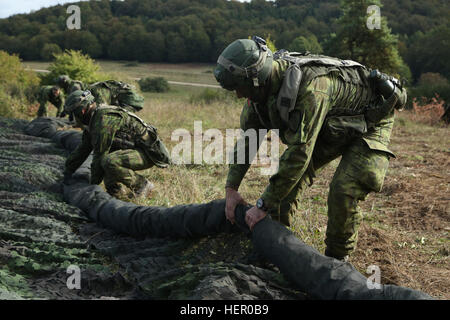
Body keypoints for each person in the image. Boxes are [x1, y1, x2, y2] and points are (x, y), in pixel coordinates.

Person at [214, 36, 407, 261]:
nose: (238, 95)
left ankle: (336, 263)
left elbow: (298, 155)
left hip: (370, 123)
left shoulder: (310, 88)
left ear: (256, 78)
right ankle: (277, 254)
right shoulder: (259, 96)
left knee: (343, 190)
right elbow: (248, 138)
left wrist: (261, 205)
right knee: (283, 191)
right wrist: (231, 188)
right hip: (329, 127)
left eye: (240, 88)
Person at [62, 90, 171, 199]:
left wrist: (92, 187)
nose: (76, 119)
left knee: (109, 162)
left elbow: (99, 154)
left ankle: (142, 185)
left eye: (75, 114)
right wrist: (68, 171)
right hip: (132, 150)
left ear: (83, 110)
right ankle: (117, 195)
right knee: (107, 166)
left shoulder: (104, 119)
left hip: (148, 153)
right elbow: (83, 149)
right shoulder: (93, 121)